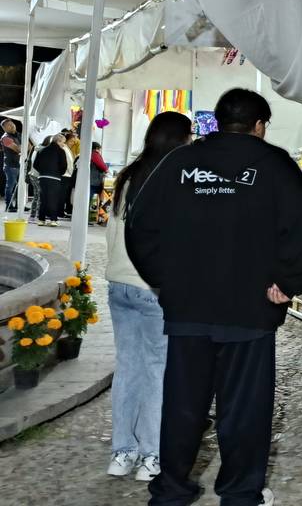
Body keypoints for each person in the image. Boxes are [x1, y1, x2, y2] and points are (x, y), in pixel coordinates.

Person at [127, 89, 302, 506]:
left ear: (217, 120)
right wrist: (287, 282)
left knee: (182, 405)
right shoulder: (276, 165)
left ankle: (171, 489)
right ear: (259, 125)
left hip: (188, 308)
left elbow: (139, 228)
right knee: (245, 408)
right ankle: (239, 493)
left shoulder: (179, 163)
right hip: (249, 310)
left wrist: (165, 280)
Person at [105, 112, 192, 483]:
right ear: (179, 140)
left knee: (127, 368)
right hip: (151, 287)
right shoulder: (173, 178)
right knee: (157, 371)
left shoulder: (129, 175)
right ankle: (151, 455)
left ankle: (122, 452)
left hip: (118, 283)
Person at [32, 135, 67, 226]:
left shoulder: (41, 150)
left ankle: (41, 220)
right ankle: (53, 220)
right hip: (55, 178)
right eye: (63, 142)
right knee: (53, 199)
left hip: (42, 177)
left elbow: (35, 164)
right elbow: (64, 166)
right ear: (58, 141)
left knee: (43, 199)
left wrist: (42, 171)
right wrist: (59, 173)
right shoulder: (61, 151)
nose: (63, 145)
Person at [1, 120, 21, 211]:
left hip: (19, 164)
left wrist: (21, 146)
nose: (12, 126)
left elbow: (29, 147)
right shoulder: (5, 138)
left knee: (19, 186)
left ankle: (19, 205)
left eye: (12, 124)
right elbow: (18, 150)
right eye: (9, 125)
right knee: (10, 186)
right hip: (10, 166)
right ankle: (9, 206)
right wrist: (21, 146)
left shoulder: (18, 135)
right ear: (4, 128)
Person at [90, 142, 109, 222]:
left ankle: (90, 217)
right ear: (97, 148)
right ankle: (90, 217)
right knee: (92, 199)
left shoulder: (89, 153)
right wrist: (106, 170)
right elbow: (102, 166)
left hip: (91, 179)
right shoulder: (95, 154)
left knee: (91, 198)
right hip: (94, 180)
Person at [59, 132, 75, 217]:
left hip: (67, 174)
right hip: (66, 174)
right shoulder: (65, 149)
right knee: (62, 194)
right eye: (71, 141)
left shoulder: (67, 149)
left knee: (64, 194)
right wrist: (71, 173)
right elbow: (68, 163)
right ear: (66, 140)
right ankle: (60, 211)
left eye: (73, 142)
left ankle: (61, 211)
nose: (72, 143)